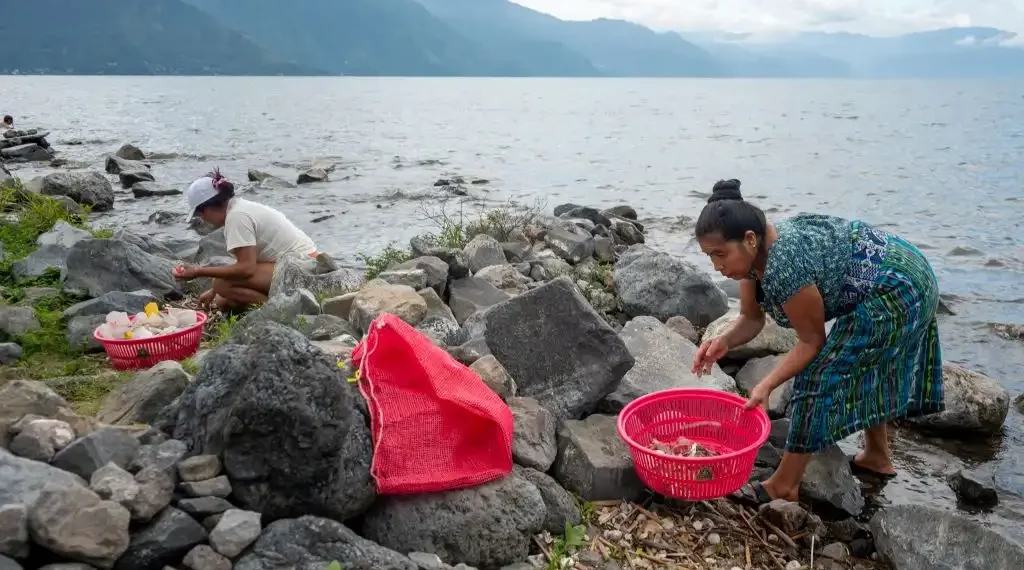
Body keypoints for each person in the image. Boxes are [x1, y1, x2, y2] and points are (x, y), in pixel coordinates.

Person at [691, 178, 943, 505]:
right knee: (865, 365)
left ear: (749, 240)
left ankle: (784, 485)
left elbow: (812, 343)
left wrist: (766, 384)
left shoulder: (784, 265)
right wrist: (722, 342)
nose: (717, 265)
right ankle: (877, 458)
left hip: (901, 287)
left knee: (816, 377)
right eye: (710, 256)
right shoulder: (753, 254)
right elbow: (752, 319)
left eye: (720, 254)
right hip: (894, 270)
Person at [173, 169, 318, 310]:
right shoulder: (237, 208)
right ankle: (274, 303)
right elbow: (246, 262)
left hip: (302, 269)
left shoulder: (237, 217)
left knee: (221, 284)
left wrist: (198, 271)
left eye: (200, 212)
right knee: (223, 300)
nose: (202, 218)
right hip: (297, 265)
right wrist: (213, 292)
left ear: (211, 206)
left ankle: (279, 311)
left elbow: (247, 268)